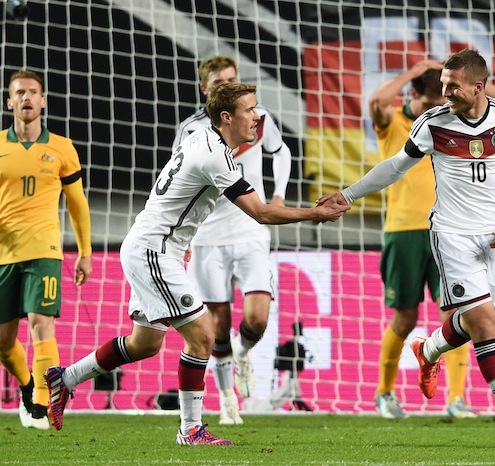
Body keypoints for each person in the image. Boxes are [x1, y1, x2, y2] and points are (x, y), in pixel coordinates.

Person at [44, 82, 349, 446]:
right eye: (250, 110)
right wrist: (316, 213)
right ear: (227, 117)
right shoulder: (215, 155)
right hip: (155, 250)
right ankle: (190, 429)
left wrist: (182, 239)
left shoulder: (199, 138)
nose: (257, 116)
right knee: (204, 335)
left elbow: (175, 191)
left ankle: (65, 378)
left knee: (144, 344)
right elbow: (261, 213)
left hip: (156, 247)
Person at [318, 49, 495, 447]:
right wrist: (348, 194)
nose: (445, 93)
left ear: (478, 87)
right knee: (483, 325)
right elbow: (395, 166)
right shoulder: (433, 123)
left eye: (453, 86)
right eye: (443, 85)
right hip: (452, 236)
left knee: (475, 323)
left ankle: (427, 349)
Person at [368, 59, 495, 419]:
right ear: (413, 95)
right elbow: (377, 101)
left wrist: (460, 78)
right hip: (404, 232)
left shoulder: (450, 123)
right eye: (429, 102)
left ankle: (456, 399)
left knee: (459, 317)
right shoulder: (394, 123)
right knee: (404, 318)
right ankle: (385, 393)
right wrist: (414, 71)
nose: (438, 107)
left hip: (447, 231)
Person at [173, 55, 292, 425]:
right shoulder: (191, 130)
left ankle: (242, 353)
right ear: (204, 89)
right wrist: (182, 234)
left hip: (251, 231)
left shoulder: (258, 118)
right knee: (218, 326)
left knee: (257, 319)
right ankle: (228, 402)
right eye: (219, 83)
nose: (227, 86)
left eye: (232, 80)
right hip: (208, 237)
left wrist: (279, 195)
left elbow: (281, 151)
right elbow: (177, 182)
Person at [0, 70, 93, 430]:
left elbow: (77, 204)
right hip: (4, 253)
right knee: (4, 342)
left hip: (44, 249)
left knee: (42, 325)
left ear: (43, 101)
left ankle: (41, 403)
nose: (26, 97)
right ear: (9, 101)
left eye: (33, 92)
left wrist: (85, 252)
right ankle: (27, 386)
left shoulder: (62, 148)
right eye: (20, 92)